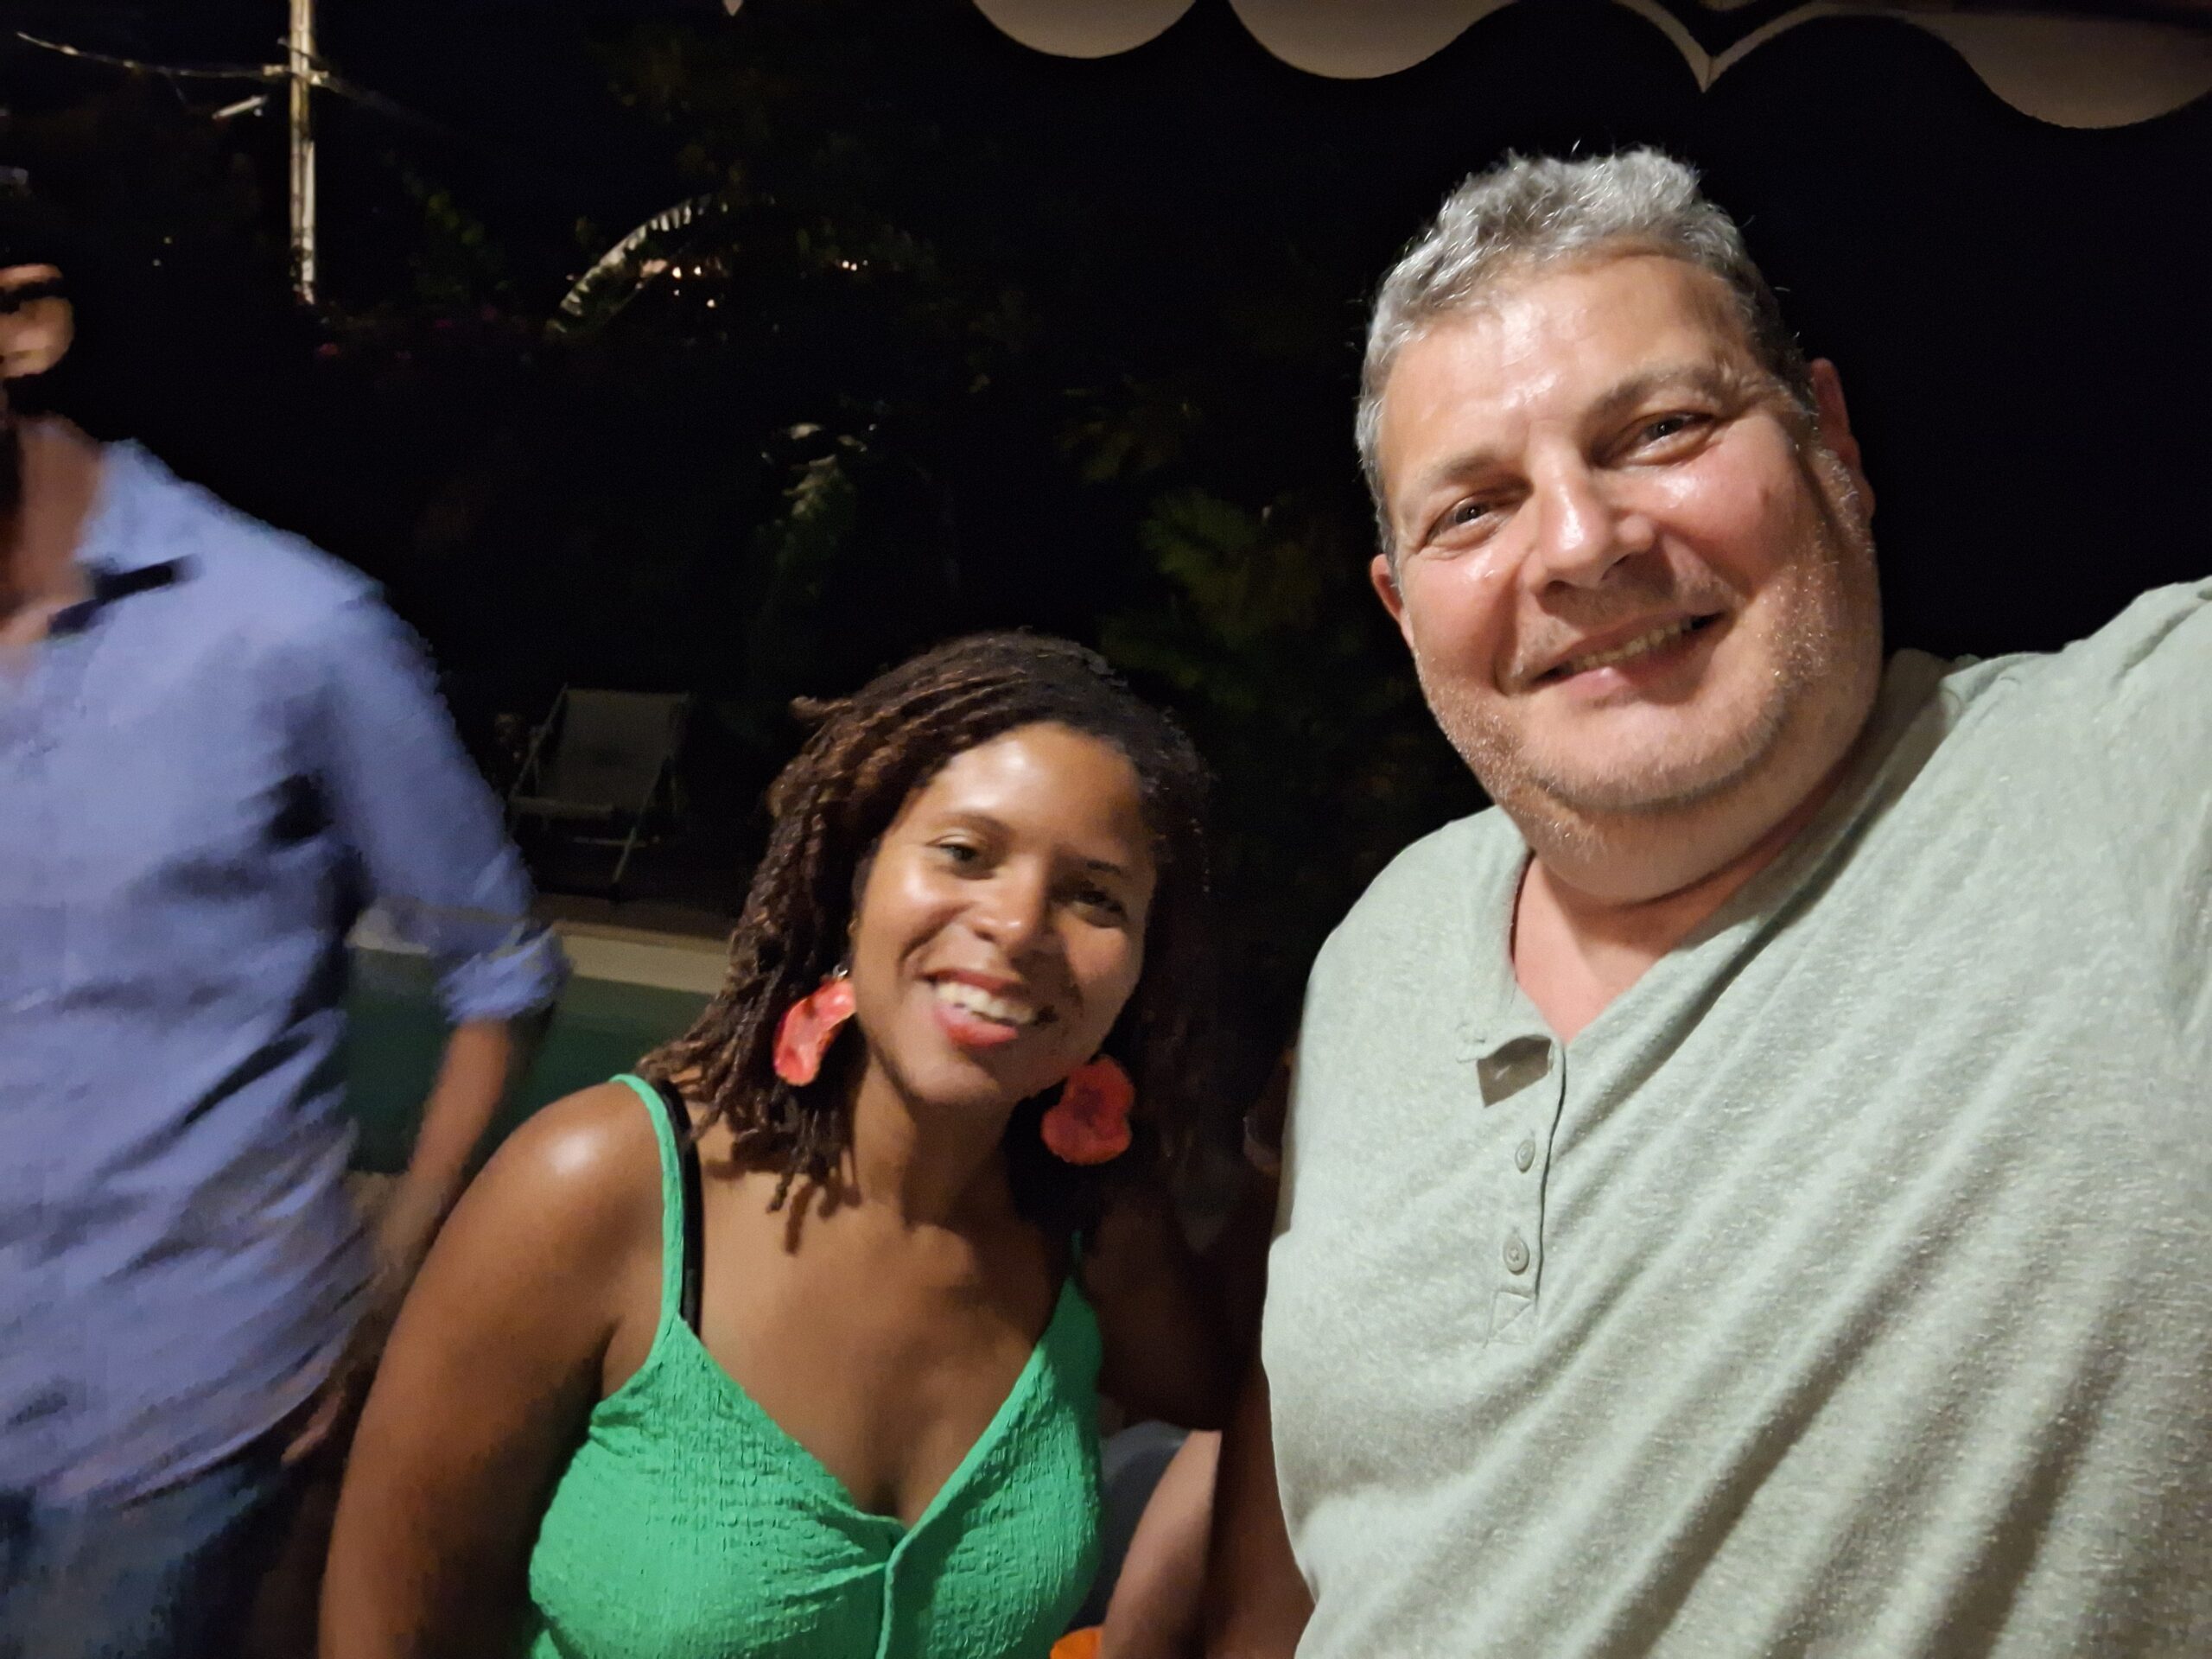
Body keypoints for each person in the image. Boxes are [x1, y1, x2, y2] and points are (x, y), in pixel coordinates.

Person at [1208, 149, 2210, 1655]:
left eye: (1663, 431)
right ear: (1403, 608)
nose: (1582, 543)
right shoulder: (1382, 946)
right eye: (1473, 509)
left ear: (1831, 444)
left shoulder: (2134, 775)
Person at [323, 632, 1237, 1657]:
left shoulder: (1090, 1230)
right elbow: (386, 1628)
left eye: (1095, 896)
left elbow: (1254, 1402)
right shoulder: (605, 1184)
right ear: (855, 882)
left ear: (1143, 966)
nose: (1019, 925)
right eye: (964, 853)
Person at [0, 184, 566, 1656]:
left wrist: (391, 1289)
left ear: (25, 329)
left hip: (169, 1411)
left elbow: (499, 976)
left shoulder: (294, 635)